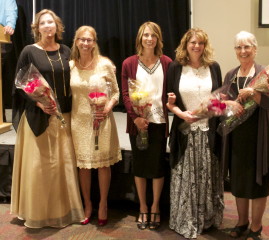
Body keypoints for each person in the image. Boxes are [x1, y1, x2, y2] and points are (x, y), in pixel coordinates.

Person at [10, 9, 84, 228]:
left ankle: (61, 211)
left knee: (62, 168)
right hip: (39, 117)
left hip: (64, 117)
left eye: (51, 22)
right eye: (43, 23)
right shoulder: (29, 51)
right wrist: (39, 103)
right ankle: (39, 213)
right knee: (41, 169)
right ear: (37, 28)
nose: (47, 26)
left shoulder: (67, 50)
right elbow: (20, 84)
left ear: (57, 26)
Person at [166, 28, 224, 239]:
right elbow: (169, 102)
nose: (196, 46)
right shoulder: (175, 67)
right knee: (185, 175)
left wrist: (213, 107)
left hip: (209, 131)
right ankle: (186, 218)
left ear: (205, 46)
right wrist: (181, 113)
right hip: (185, 131)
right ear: (186, 45)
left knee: (208, 174)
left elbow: (219, 100)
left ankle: (207, 218)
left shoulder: (214, 67)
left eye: (200, 43)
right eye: (193, 42)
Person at [222, 31, 269, 240]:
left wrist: (254, 93)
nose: (243, 51)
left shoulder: (265, 73)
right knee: (239, 180)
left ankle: (256, 226)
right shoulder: (231, 74)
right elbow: (222, 103)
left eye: (247, 47)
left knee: (259, 181)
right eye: (239, 47)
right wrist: (228, 103)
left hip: (258, 136)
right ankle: (241, 221)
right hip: (237, 137)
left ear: (255, 49)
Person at [121, 21, 172, 230]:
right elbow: (125, 94)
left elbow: (171, 91)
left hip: (159, 123)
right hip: (137, 124)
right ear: (140, 38)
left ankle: (155, 207)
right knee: (140, 167)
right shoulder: (129, 63)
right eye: (145, 35)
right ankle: (142, 207)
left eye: (153, 35)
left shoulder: (167, 62)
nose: (149, 39)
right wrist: (135, 118)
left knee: (158, 166)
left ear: (158, 39)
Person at [70, 25, 122, 226]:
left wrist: (106, 108)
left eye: (89, 39)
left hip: (101, 119)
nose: (85, 43)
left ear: (94, 42)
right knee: (83, 166)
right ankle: (88, 204)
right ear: (76, 41)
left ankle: (103, 204)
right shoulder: (71, 66)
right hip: (79, 121)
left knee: (102, 165)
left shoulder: (105, 64)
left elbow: (116, 93)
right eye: (82, 39)